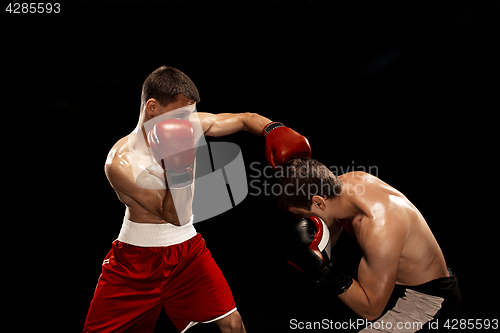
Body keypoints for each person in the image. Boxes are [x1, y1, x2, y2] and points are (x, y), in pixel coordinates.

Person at [82, 66, 310, 333]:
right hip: (135, 263)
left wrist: (273, 129)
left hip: (186, 251)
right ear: (152, 107)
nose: (185, 123)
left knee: (233, 325)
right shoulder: (121, 162)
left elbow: (244, 119)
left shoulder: (184, 123)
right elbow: (176, 215)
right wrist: (180, 165)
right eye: (180, 115)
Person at [277, 157, 461, 332]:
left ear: (318, 202)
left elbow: (371, 310)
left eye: (301, 215)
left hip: (428, 300)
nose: (301, 221)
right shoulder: (347, 183)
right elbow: (329, 226)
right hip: (395, 284)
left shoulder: (380, 227)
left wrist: (323, 271)